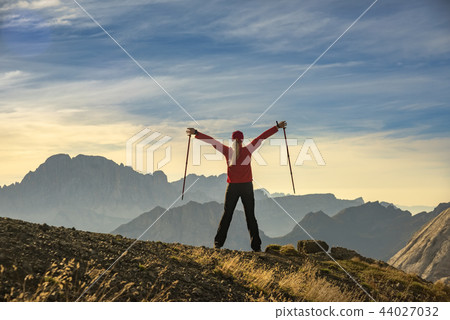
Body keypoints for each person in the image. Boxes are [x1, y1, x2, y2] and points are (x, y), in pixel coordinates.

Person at [186, 121, 287, 252]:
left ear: (232, 141)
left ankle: (218, 244)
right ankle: (256, 247)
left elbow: (212, 141)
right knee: (250, 216)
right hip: (246, 187)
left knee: (227, 215)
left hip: (232, 187)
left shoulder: (227, 151)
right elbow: (262, 137)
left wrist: (196, 133)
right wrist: (277, 127)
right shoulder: (248, 150)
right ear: (242, 140)